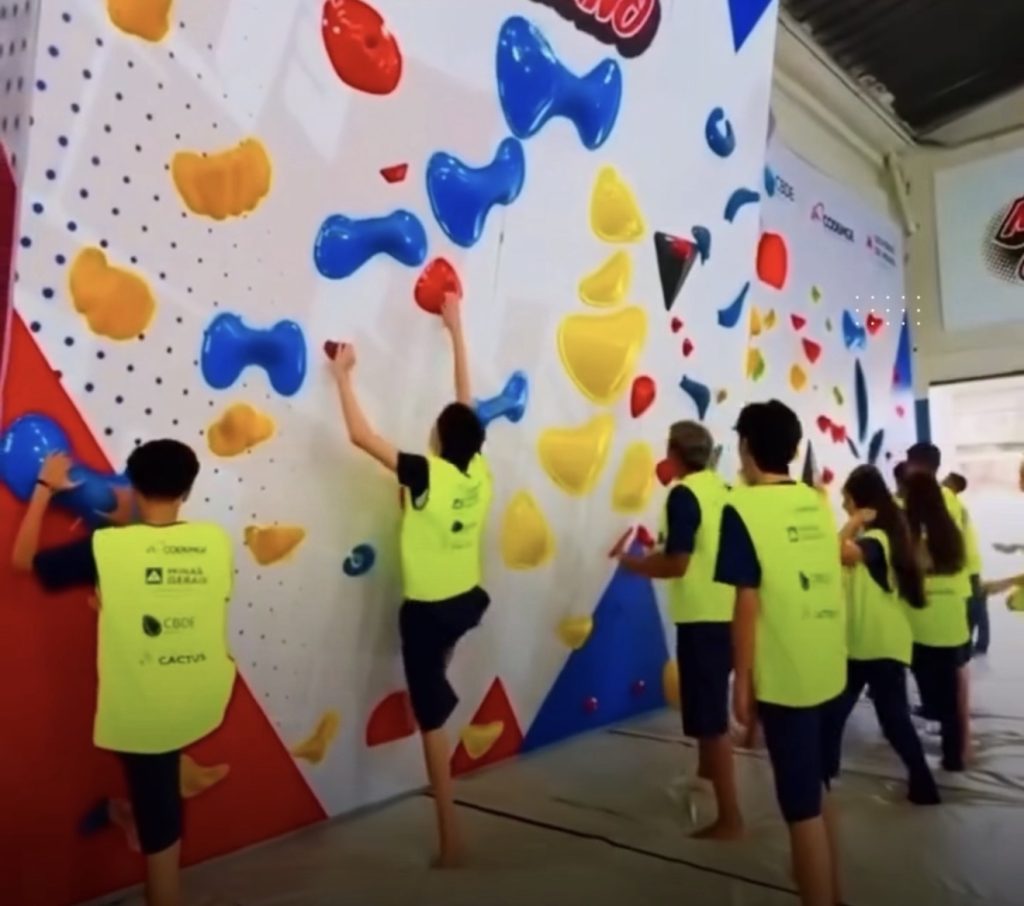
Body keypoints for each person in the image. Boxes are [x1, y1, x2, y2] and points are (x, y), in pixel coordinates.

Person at [11, 440, 236, 906]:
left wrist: (44, 488)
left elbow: (22, 560)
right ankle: (138, 812)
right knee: (158, 794)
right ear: (187, 492)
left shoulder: (107, 549)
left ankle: (146, 833)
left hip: (142, 713)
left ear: (131, 486)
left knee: (162, 830)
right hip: (198, 697)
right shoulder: (214, 543)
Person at [327, 297, 490, 869]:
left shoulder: (425, 472)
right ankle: (436, 684)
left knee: (431, 720)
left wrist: (343, 376)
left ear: (438, 439)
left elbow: (360, 436)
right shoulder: (477, 471)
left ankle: (451, 838)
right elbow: (466, 405)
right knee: (436, 664)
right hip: (467, 601)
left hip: (429, 610)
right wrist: (456, 328)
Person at [715, 400, 846, 906]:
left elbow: (747, 603)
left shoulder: (742, 508)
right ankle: (833, 892)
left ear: (745, 447)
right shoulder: (816, 501)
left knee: (800, 808)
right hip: (829, 665)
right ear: (794, 450)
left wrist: (742, 684)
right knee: (816, 786)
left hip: (788, 676)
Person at [620, 421, 742, 840]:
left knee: (712, 719)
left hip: (703, 619)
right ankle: (707, 772)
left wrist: (635, 564)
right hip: (728, 612)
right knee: (710, 708)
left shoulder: (684, 495)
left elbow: (678, 563)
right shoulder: (724, 491)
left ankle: (731, 818)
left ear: (673, 455)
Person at [831, 465, 939, 804]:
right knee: (834, 715)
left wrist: (855, 520)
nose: (844, 505)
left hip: (878, 646)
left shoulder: (876, 540)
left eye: (847, 499)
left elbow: (836, 552)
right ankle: (823, 774)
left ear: (861, 501)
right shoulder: (881, 537)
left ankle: (924, 785)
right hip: (864, 646)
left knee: (893, 721)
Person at [905, 442, 976, 767]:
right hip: (954, 621)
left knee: (928, 690)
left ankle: (926, 755)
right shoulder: (950, 529)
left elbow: (908, 571)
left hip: (922, 624)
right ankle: (954, 756)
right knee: (952, 696)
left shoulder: (912, 533)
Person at [943, 472, 989, 655]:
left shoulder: (949, 499)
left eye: (947, 479)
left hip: (967, 563)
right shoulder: (960, 506)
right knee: (978, 604)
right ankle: (980, 643)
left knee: (974, 607)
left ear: (953, 485)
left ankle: (970, 645)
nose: (942, 481)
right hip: (972, 561)